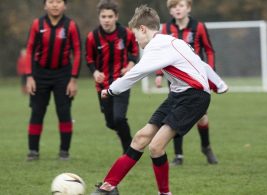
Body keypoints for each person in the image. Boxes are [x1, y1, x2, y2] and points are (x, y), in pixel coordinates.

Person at [91, 5, 224, 195]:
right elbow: (200, 64)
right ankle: (108, 186)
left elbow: (137, 72)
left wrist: (111, 90)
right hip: (178, 95)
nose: (136, 41)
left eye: (136, 35)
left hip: (193, 97)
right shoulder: (171, 42)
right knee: (140, 138)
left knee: (155, 146)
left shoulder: (157, 46)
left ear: (143, 29)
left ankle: (164, 193)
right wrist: (219, 84)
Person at [155, 0, 227, 165]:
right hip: (175, 79)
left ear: (188, 8)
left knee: (202, 117)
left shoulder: (199, 27)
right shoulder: (165, 29)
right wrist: (159, 74)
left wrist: (211, 72)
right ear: (170, 11)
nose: (177, 9)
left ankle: (206, 147)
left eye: (180, 5)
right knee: (175, 115)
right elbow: (160, 54)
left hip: (197, 81)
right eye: (173, 7)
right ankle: (178, 155)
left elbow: (209, 50)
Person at [25, 0, 81, 161]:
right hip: (39, 75)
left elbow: (77, 52)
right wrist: (29, 77)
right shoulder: (37, 24)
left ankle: (64, 152)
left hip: (63, 75)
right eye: (51, 1)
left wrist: (73, 79)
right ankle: (33, 152)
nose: (55, 5)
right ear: (45, 5)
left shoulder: (70, 25)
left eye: (58, 1)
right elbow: (29, 50)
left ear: (65, 5)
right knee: (37, 112)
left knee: (64, 112)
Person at [86, 0, 139, 154]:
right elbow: (89, 58)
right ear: (99, 18)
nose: (107, 20)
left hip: (122, 83)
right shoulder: (92, 37)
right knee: (110, 123)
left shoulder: (126, 34)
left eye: (110, 16)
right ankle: (128, 141)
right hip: (103, 86)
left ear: (116, 17)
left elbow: (134, 51)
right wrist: (95, 72)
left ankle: (129, 152)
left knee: (119, 119)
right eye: (103, 16)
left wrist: (130, 65)